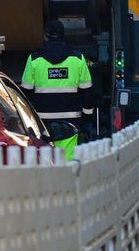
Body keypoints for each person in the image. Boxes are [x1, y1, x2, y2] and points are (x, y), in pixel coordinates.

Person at [21, 19, 94, 159]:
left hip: (43, 123)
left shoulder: (34, 59)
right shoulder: (78, 59)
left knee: (45, 160)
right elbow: (87, 94)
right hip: (71, 121)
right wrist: (87, 119)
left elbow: (25, 95)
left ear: (45, 36)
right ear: (63, 35)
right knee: (67, 161)